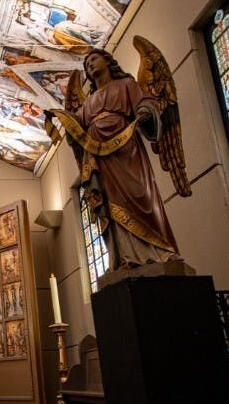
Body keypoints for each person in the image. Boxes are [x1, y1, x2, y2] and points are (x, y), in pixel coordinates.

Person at [47, 48, 183, 270]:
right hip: (100, 159)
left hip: (126, 150)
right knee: (111, 203)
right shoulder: (88, 103)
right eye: (87, 63)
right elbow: (77, 131)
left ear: (108, 61)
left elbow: (146, 103)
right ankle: (126, 256)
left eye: (94, 59)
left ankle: (159, 250)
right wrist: (61, 116)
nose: (90, 64)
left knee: (141, 195)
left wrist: (145, 111)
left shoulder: (126, 85)